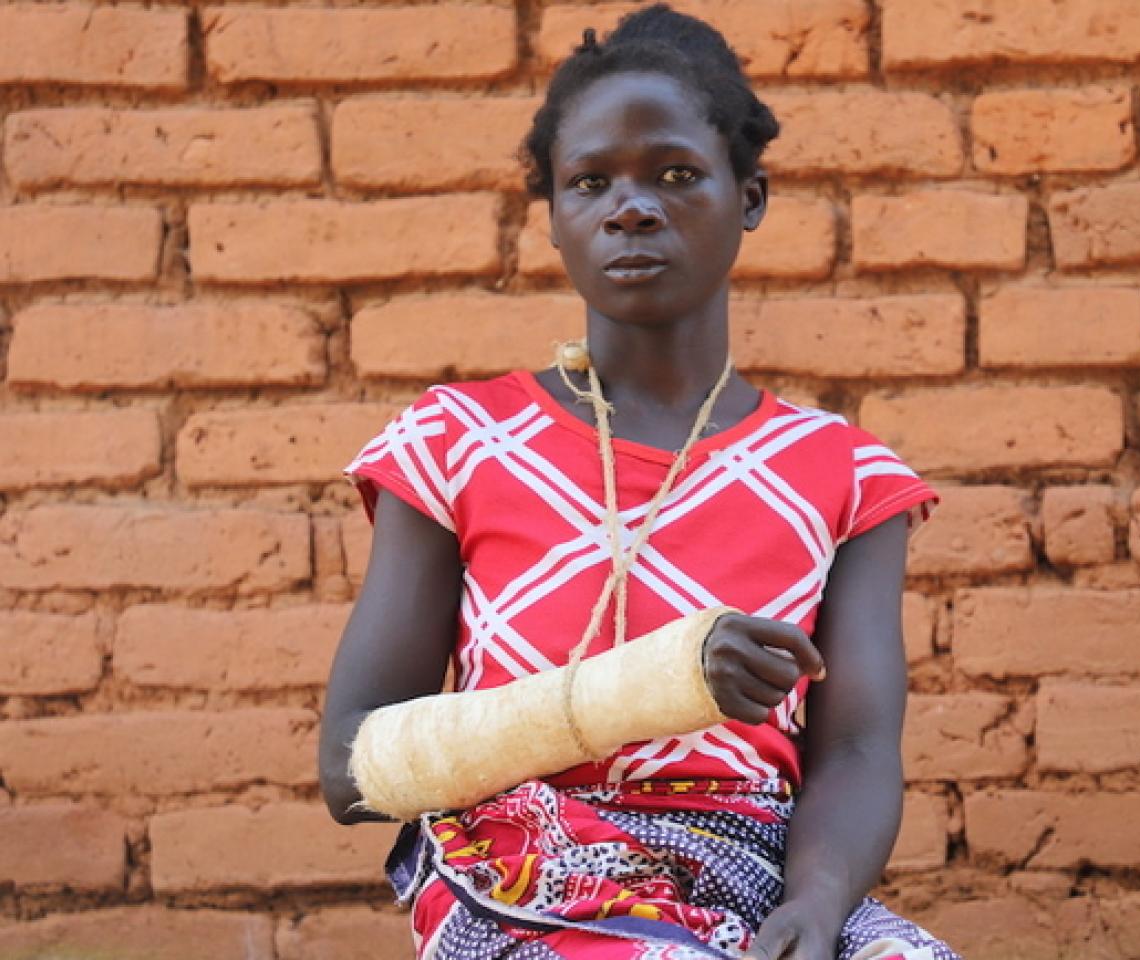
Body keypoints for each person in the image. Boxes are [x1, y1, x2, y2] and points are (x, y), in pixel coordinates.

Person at [319, 6, 959, 959]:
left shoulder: (847, 474)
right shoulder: (456, 442)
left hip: (753, 865)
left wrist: (819, 907)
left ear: (749, 196)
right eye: (589, 181)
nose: (631, 206)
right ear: (555, 218)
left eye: (674, 173)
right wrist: (658, 682)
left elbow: (860, 751)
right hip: (518, 861)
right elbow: (351, 764)